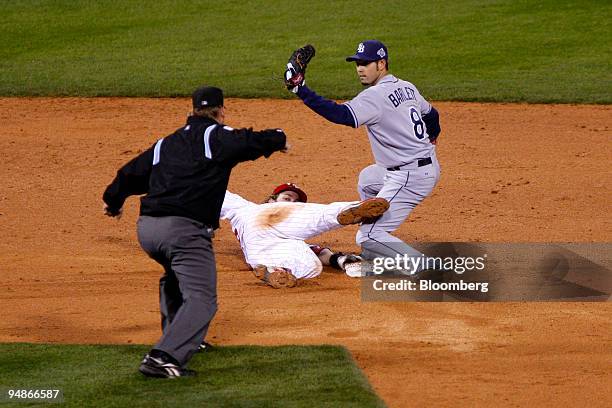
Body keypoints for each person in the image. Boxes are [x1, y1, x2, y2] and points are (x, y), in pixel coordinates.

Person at [102, 85, 289, 378]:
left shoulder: (165, 143)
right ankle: (163, 357)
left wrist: (114, 202)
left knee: (175, 276)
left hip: (148, 229)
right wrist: (278, 139)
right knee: (202, 298)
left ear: (190, 111)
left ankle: (181, 336)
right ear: (220, 111)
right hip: (183, 231)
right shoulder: (214, 136)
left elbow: (130, 174)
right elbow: (248, 141)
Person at [285, 40, 442, 273]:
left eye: (366, 63)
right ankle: (377, 250)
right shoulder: (406, 86)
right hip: (413, 166)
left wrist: (301, 89)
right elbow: (432, 115)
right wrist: (432, 137)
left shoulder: (375, 96)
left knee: (367, 236)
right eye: (357, 63)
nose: (360, 68)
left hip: (410, 176)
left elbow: (340, 114)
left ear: (381, 64)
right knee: (368, 179)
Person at [221, 183, 390, 288]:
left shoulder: (239, 209)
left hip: (259, 248)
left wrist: (338, 259)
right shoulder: (249, 208)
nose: (293, 203)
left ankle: (274, 272)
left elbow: (215, 193)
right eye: (287, 198)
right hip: (272, 217)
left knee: (311, 265)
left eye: (296, 202)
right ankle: (348, 210)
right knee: (322, 216)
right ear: (271, 200)